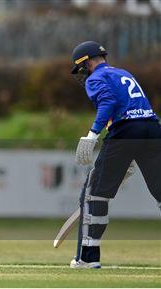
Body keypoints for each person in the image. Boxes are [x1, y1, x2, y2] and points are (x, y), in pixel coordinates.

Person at [70, 41, 161, 268]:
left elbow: (108, 102)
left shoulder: (95, 78)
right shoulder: (123, 73)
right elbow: (140, 107)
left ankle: (87, 259)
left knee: (95, 193)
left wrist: (92, 135)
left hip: (125, 131)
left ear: (88, 62)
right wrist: (132, 154)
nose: (84, 75)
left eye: (83, 68)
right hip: (152, 129)